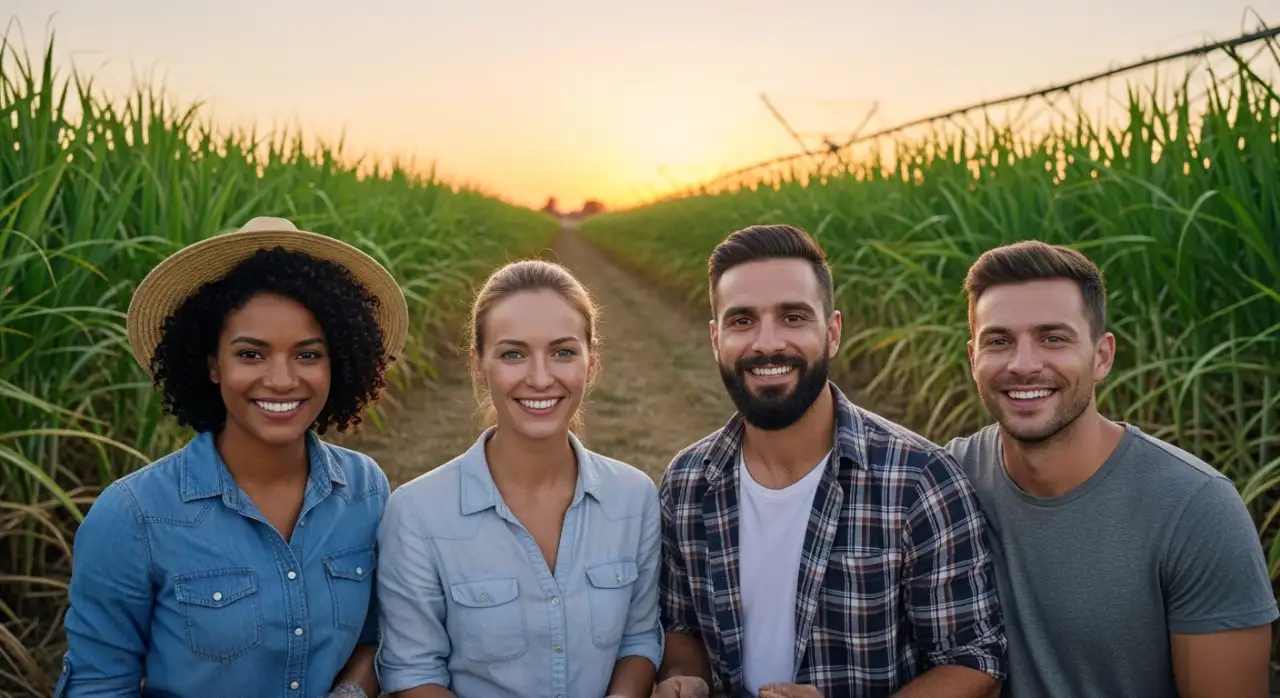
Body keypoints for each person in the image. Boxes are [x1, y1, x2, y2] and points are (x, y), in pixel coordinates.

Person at [56, 217, 407, 698]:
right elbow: (97, 686)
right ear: (212, 364)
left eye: (307, 355)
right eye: (251, 354)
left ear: (338, 363)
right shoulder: (133, 517)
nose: (282, 380)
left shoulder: (366, 490)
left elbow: (375, 637)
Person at [653, 224, 1007, 698]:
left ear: (833, 331)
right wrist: (685, 678)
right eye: (742, 321)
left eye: (793, 317)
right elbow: (682, 626)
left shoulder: (919, 480)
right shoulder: (687, 482)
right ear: (716, 339)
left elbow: (973, 661)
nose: (767, 343)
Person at [945, 240, 1278, 697]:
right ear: (972, 358)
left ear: (1102, 357)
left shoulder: (1195, 509)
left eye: (1053, 338)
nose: (1023, 365)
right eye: (999, 341)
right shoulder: (947, 481)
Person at [374, 259, 664, 698]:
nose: (540, 378)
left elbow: (640, 638)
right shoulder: (416, 514)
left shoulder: (635, 497)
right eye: (513, 354)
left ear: (592, 361)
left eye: (563, 352)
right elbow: (413, 672)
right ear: (478, 364)